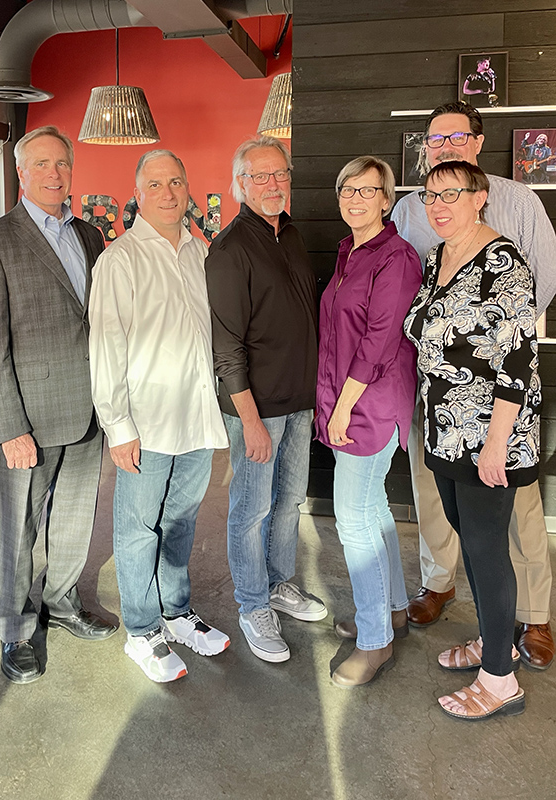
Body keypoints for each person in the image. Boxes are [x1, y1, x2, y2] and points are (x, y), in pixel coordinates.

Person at [392, 101, 556, 671]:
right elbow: (410, 291)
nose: (445, 146)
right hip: (434, 396)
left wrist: (484, 358)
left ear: (478, 144)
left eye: (456, 136)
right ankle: (442, 585)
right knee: (436, 497)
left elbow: (532, 300)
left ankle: (532, 617)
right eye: (434, 141)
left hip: (497, 409)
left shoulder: (519, 204)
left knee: (514, 515)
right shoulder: (413, 212)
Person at [0, 126, 116, 686]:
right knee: (18, 526)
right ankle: (16, 628)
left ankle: (62, 600)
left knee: (76, 518)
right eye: (42, 164)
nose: (55, 174)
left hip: (87, 410)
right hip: (26, 417)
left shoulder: (91, 236)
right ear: (21, 174)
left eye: (63, 164)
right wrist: (7, 425)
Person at [404, 160, 539, 719]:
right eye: (430, 195)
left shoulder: (504, 262)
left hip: (490, 437)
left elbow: (518, 361)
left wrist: (494, 443)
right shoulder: (439, 258)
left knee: (485, 551)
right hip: (445, 429)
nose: (437, 205)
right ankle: (495, 640)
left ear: (480, 196)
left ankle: (500, 682)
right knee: (471, 538)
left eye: (451, 194)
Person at [89, 149, 230, 683]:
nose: (168, 192)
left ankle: (176, 613)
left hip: (196, 418)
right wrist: (118, 428)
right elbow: (105, 348)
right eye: (156, 183)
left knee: (181, 523)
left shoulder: (200, 253)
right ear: (138, 193)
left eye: (177, 181)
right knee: (137, 530)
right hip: (145, 424)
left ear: (187, 187)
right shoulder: (119, 260)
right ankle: (143, 631)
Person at [205, 135, 325, 665]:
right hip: (257, 410)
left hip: (299, 404)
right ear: (240, 185)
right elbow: (226, 349)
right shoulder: (229, 250)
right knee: (250, 510)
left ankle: (279, 585)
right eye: (261, 177)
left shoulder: (292, 235)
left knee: (289, 503)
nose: (274, 185)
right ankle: (253, 605)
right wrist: (250, 421)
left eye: (281, 175)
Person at [317, 157, 422, 687]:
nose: (355, 198)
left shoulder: (397, 258)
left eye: (367, 190)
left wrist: (341, 408)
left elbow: (380, 341)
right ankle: (394, 610)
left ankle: (375, 640)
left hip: (369, 405)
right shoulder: (348, 253)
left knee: (352, 522)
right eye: (346, 189)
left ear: (387, 199)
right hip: (346, 399)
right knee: (373, 507)